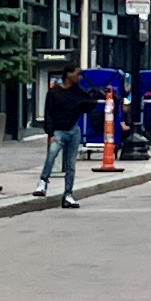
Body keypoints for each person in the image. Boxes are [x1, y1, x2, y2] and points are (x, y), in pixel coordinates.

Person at [34, 66, 95, 206]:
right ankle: (43, 182)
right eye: (77, 74)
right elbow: (48, 113)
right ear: (68, 74)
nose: (80, 77)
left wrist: (95, 95)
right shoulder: (54, 92)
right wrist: (50, 133)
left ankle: (68, 194)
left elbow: (90, 104)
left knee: (70, 164)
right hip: (58, 131)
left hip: (73, 130)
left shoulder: (78, 92)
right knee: (52, 154)